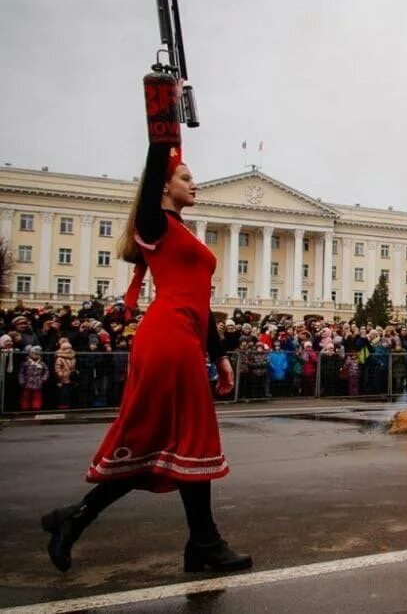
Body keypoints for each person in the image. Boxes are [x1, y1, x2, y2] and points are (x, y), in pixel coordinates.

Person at [40, 145, 250, 573]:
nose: (195, 184)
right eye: (186, 178)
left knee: (167, 441)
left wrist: (219, 355)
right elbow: (156, 162)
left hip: (185, 335)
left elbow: (201, 302)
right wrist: (163, 122)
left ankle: (77, 519)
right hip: (168, 335)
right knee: (186, 436)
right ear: (163, 186)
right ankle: (203, 544)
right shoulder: (154, 224)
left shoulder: (183, 231)